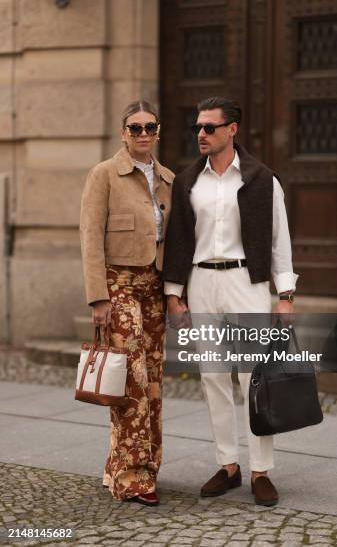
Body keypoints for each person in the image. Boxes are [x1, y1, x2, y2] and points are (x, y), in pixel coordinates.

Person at [163, 96, 298, 507]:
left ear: (232, 130)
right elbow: (178, 240)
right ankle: (228, 466)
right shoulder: (188, 181)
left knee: (254, 378)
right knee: (213, 377)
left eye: (209, 128)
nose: (201, 134)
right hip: (202, 282)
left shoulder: (261, 179)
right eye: (197, 128)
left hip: (247, 282)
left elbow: (280, 240)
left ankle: (261, 470)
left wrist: (285, 294)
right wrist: (174, 293)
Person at [80, 100, 174, 506]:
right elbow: (90, 237)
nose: (141, 134)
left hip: (154, 285)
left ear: (157, 131)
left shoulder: (168, 179)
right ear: (123, 133)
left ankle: (130, 463)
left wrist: (174, 291)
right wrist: (98, 297)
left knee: (151, 377)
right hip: (118, 285)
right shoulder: (104, 174)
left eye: (148, 127)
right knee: (130, 375)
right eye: (133, 128)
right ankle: (133, 477)